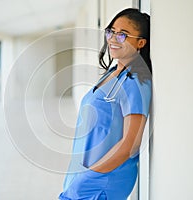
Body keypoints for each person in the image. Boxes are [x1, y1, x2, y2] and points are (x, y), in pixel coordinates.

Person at [59, 8, 152, 200]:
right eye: (111, 32)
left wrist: (88, 177)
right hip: (86, 175)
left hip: (103, 181)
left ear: (140, 42)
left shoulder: (135, 82)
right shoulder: (113, 72)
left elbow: (131, 144)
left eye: (123, 35)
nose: (112, 39)